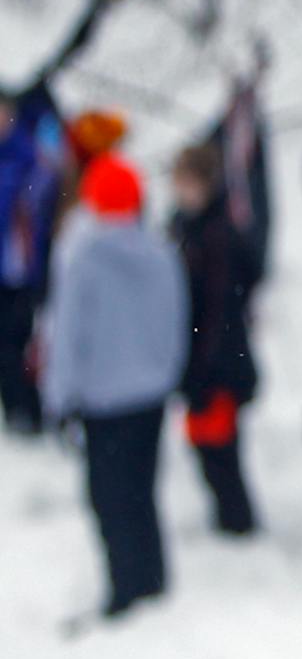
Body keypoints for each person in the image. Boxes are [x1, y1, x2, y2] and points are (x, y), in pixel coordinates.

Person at [40, 154, 188, 620]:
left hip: (103, 400)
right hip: (150, 395)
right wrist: (165, 373)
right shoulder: (162, 253)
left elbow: (65, 335)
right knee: (143, 489)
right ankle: (153, 577)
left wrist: (59, 398)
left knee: (108, 497)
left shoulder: (83, 258)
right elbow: (177, 322)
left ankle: (125, 588)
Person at [170, 142, 265, 536]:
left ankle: (238, 524)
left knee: (220, 447)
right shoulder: (183, 227)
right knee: (206, 444)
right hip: (199, 357)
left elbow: (221, 308)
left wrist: (205, 366)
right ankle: (231, 520)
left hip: (219, 361)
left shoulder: (218, 234)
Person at [0, 84, 66, 435]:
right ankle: (16, 410)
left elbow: (44, 195)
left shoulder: (32, 155)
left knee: (22, 343)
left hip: (23, 271)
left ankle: (29, 411)